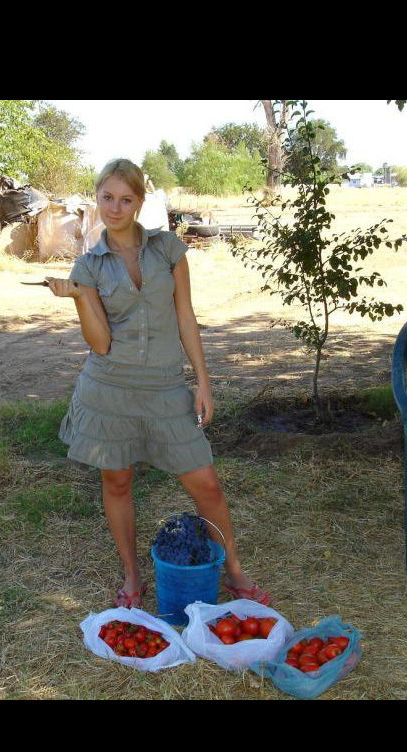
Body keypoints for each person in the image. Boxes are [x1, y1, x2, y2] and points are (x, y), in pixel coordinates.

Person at [45, 157, 269, 609]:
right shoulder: (87, 266)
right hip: (109, 388)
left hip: (166, 386)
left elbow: (186, 317)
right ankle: (132, 577)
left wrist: (202, 382)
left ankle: (235, 572)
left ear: (140, 202)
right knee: (117, 481)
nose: (115, 208)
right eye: (107, 197)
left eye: (126, 199)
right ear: (96, 198)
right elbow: (100, 343)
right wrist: (79, 297)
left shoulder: (168, 249)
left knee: (206, 483)